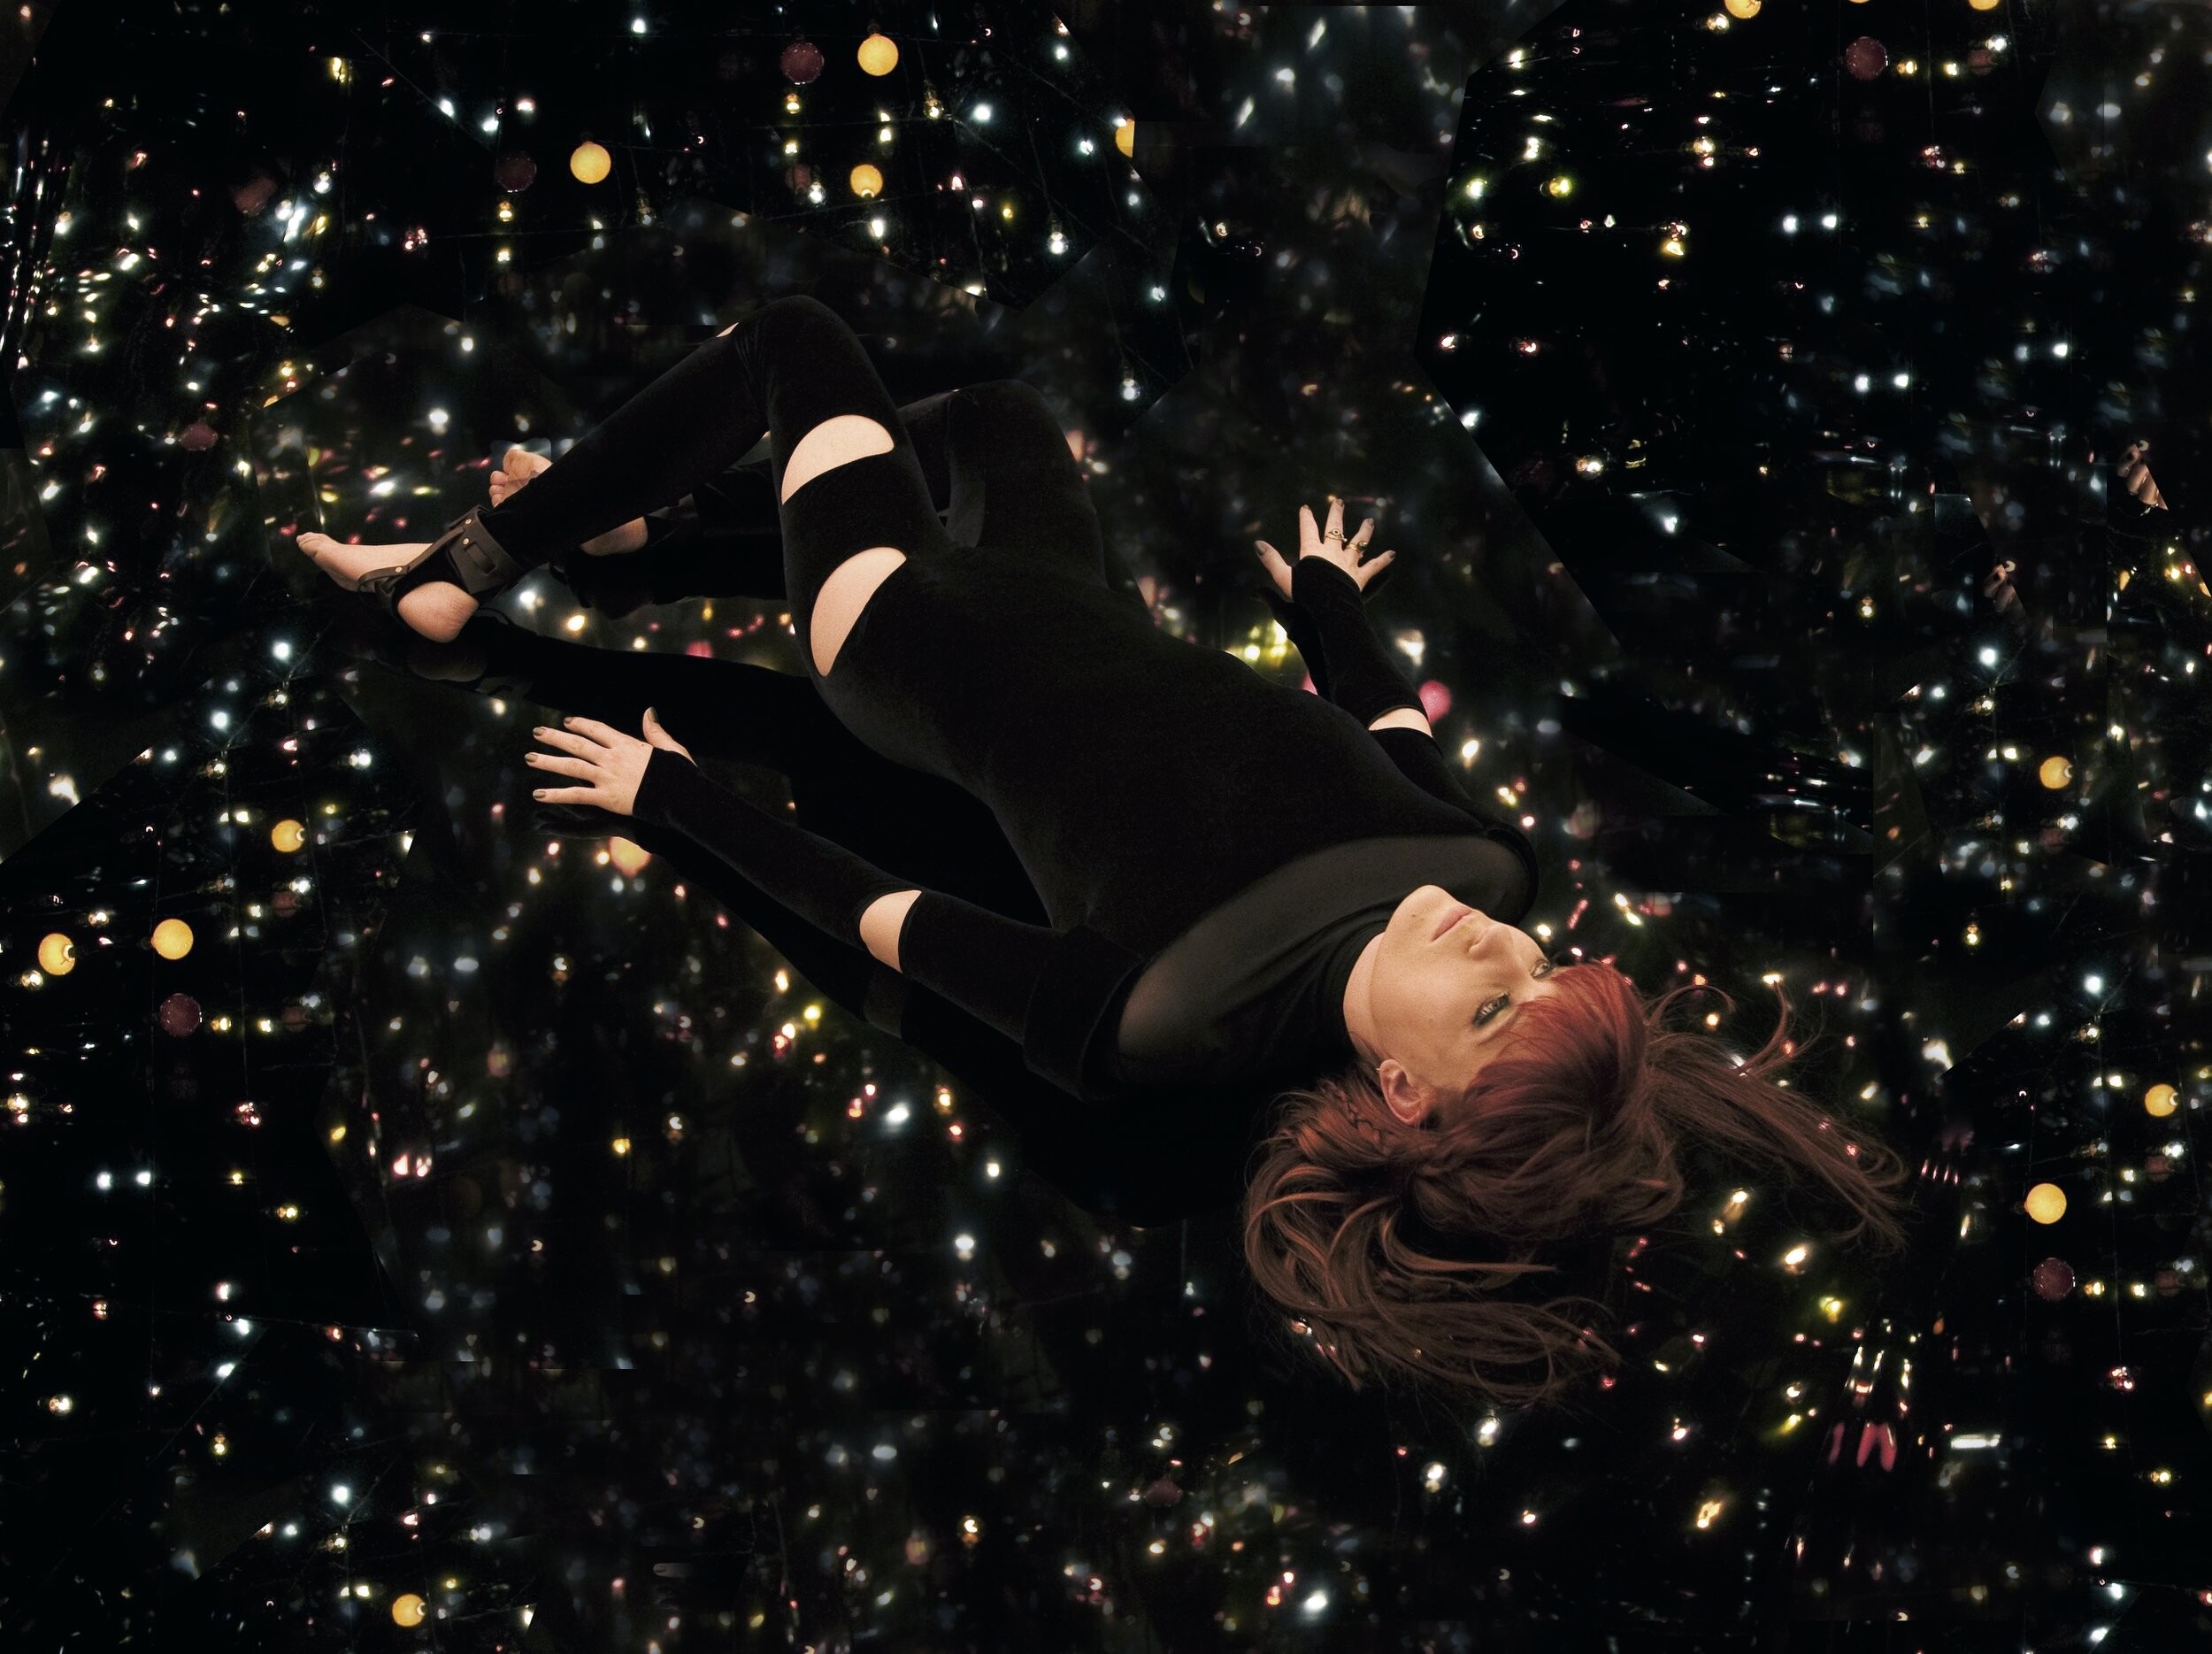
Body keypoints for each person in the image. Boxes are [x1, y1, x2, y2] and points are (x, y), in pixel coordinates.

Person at [296, 294, 1912, 1411]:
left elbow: (885, 917)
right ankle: (644, 545)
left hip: (897, 640)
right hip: (1062, 598)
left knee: (793, 344)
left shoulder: (1167, 1013)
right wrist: (1328, 604)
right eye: (1541, 968)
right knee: (999, 416)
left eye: (1492, 1006)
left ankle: (450, 569)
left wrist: (671, 799)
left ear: (1405, 1095)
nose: (1500, 944)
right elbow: (1379, 728)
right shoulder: (1485, 871)